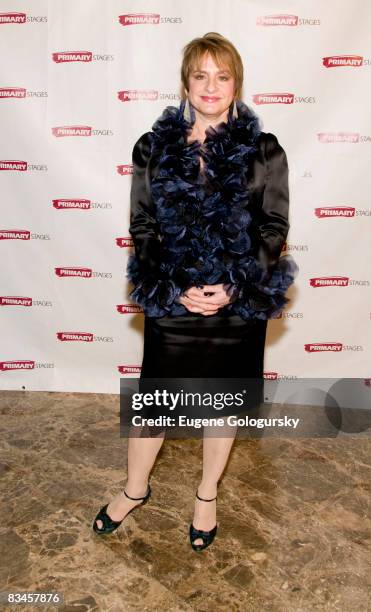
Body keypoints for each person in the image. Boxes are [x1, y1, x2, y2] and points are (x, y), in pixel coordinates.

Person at [93, 32, 298, 551]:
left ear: (236, 83)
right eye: (200, 75)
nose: (211, 86)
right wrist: (176, 285)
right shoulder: (152, 147)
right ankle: (134, 489)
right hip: (174, 296)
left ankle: (207, 495)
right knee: (155, 403)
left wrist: (232, 285)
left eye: (222, 75)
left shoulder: (266, 151)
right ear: (186, 81)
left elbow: (273, 227)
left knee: (222, 404)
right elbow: (142, 225)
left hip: (238, 300)